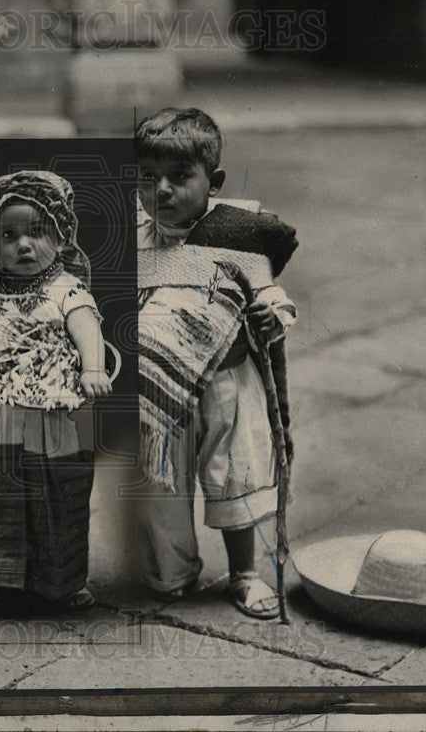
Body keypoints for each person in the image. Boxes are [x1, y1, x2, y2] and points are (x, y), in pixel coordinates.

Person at [135, 107, 298, 619]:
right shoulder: (131, 239)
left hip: (226, 381)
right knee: (159, 479)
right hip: (157, 389)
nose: (161, 190)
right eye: (147, 177)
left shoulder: (237, 233)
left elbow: (271, 293)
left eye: (180, 177)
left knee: (237, 477)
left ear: (214, 182)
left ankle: (245, 574)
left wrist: (275, 316)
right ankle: (172, 571)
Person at [0, 170, 112, 614]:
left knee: (57, 491)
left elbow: (86, 329)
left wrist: (93, 368)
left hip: (52, 413)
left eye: (37, 232)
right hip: (3, 411)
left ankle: (61, 580)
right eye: (9, 235)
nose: (23, 245)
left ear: (61, 239)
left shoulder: (67, 291)